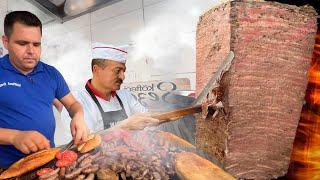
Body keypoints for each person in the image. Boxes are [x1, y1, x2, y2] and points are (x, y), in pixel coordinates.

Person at [0, 11, 89, 168]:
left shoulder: (51, 73)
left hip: (48, 163)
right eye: (22, 43)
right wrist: (14, 136)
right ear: (5, 42)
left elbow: (72, 104)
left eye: (36, 44)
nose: (31, 51)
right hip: (7, 168)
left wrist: (79, 116)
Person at [59, 42, 159, 143]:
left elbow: (148, 119)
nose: (122, 76)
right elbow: (83, 142)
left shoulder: (125, 95)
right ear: (96, 70)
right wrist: (125, 126)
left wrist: (168, 115)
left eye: (123, 71)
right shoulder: (76, 101)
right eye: (117, 71)